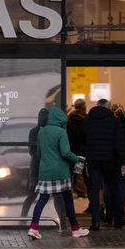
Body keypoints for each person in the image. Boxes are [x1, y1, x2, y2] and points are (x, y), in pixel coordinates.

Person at [27, 107, 89, 239]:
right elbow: (65, 152)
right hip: (60, 172)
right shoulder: (61, 132)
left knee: (42, 199)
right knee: (68, 200)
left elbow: (38, 153)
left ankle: (33, 227)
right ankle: (75, 228)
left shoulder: (41, 133)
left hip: (45, 172)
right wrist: (77, 158)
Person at [82, 99, 125, 230]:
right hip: (111, 161)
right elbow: (119, 144)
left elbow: (83, 142)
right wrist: (123, 162)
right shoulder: (114, 122)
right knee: (114, 189)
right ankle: (118, 218)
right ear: (108, 108)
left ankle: (95, 221)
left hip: (93, 161)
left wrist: (84, 158)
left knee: (95, 191)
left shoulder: (87, 122)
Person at [20, 108, 49, 217]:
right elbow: (32, 150)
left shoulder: (34, 131)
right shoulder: (40, 131)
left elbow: (32, 151)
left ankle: (23, 216)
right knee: (34, 195)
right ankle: (24, 216)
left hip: (37, 168)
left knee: (32, 195)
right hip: (40, 168)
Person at [67, 99, 89, 199]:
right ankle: (82, 191)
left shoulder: (69, 118)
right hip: (83, 151)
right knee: (80, 172)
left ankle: (73, 190)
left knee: (72, 172)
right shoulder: (88, 119)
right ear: (83, 107)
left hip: (71, 151)